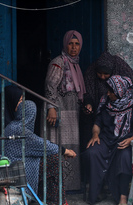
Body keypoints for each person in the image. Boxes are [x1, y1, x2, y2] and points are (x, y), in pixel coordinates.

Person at [0, 85, 78, 205]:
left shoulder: (15, 127)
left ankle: (61, 202)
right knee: (55, 159)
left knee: (51, 158)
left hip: (18, 165)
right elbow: (44, 145)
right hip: (16, 172)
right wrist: (65, 150)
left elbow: (38, 144)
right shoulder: (19, 130)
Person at [83, 75, 133, 205]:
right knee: (92, 152)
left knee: (125, 157)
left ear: (120, 91)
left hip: (125, 138)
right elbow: (98, 122)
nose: (108, 93)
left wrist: (131, 139)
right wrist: (95, 135)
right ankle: (98, 191)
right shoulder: (105, 101)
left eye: (111, 91)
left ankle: (123, 197)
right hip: (106, 138)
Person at [44, 30, 86, 193]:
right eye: (70, 43)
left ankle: (70, 186)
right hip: (59, 110)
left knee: (71, 146)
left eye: (77, 44)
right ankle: (57, 187)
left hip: (72, 112)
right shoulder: (59, 62)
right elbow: (50, 86)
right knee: (59, 145)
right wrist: (51, 108)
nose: (74, 47)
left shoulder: (75, 64)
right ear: (65, 44)